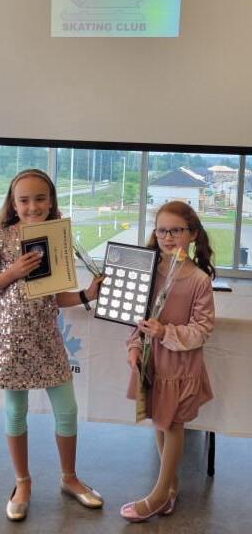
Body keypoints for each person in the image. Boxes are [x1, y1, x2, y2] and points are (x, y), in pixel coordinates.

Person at [0, 168, 104, 521]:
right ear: (13, 204)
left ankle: (69, 478)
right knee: (15, 412)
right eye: (24, 200)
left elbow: (55, 296)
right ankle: (22, 483)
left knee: (67, 410)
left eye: (40, 198)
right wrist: (11, 274)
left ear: (51, 201)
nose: (33, 206)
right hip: (10, 341)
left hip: (46, 338)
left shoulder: (55, 238)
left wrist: (87, 294)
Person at [121, 200, 216, 522]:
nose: (168, 237)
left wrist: (165, 332)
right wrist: (135, 346)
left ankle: (159, 494)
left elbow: (202, 330)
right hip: (153, 363)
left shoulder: (199, 280)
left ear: (192, 234)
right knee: (159, 422)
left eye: (176, 230)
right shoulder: (147, 271)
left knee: (173, 424)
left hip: (181, 367)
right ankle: (171, 486)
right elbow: (137, 319)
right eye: (162, 230)